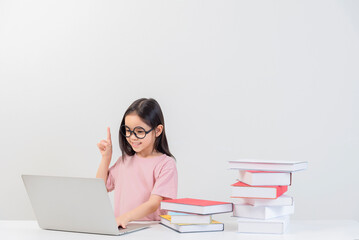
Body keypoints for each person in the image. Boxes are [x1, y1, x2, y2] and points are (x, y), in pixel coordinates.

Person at [96, 98, 178, 228]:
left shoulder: (166, 164)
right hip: (122, 228)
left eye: (139, 132)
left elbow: (154, 204)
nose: (132, 137)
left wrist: (125, 217)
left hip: (153, 228)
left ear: (157, 130)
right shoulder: (123, 161)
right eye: (128, 131)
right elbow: (98, 189)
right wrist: (106, 158)